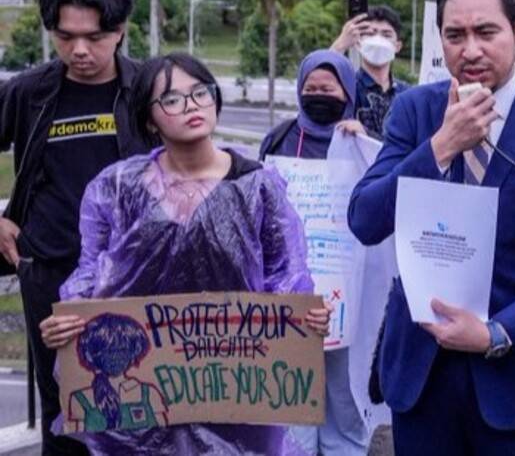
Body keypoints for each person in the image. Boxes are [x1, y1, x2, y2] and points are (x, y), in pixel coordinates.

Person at [348, 0, 515, 456]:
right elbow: (365, 219)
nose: (470, 50)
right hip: (420, 379)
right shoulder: (414, 112)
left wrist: (495, 334)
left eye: (486, 32)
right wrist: (442, 147)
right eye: (455, 35)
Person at [39, 53, 330, 455]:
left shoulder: (257, 186)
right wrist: (69, 320)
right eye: (172, 99)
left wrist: (304, 315)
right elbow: (91, 273)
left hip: (237, 391)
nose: (191, 105)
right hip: (142, 395)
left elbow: (289, 277)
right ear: (148, 119)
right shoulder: (118, 189)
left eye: (200, 92)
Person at [0, 0, 153, 455]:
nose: (80, 50)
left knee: (142, 402)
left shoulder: (147, 87)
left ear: (121, 30)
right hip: (52, 270)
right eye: (66, 37)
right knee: (65, 409)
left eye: (95, 37)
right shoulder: (29, 92)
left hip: (137, 272)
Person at [260, 49, 369, 456]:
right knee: (293, 389)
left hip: (348, 284)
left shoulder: (364, 141)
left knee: (344, 391)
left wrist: (364, 142)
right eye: (311, 88)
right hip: (290, 286)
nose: (319, 95)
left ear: (349, 92)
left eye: (329, 88)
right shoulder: (280, 137)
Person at [332, 4, 410, 139]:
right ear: (358, 43)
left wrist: (367, 134)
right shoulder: (346, 88)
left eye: (386, 35)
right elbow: (319, 82)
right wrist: (340, 45)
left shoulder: (408, 94)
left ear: (397, 46)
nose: (378, 40)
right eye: (370, 34)